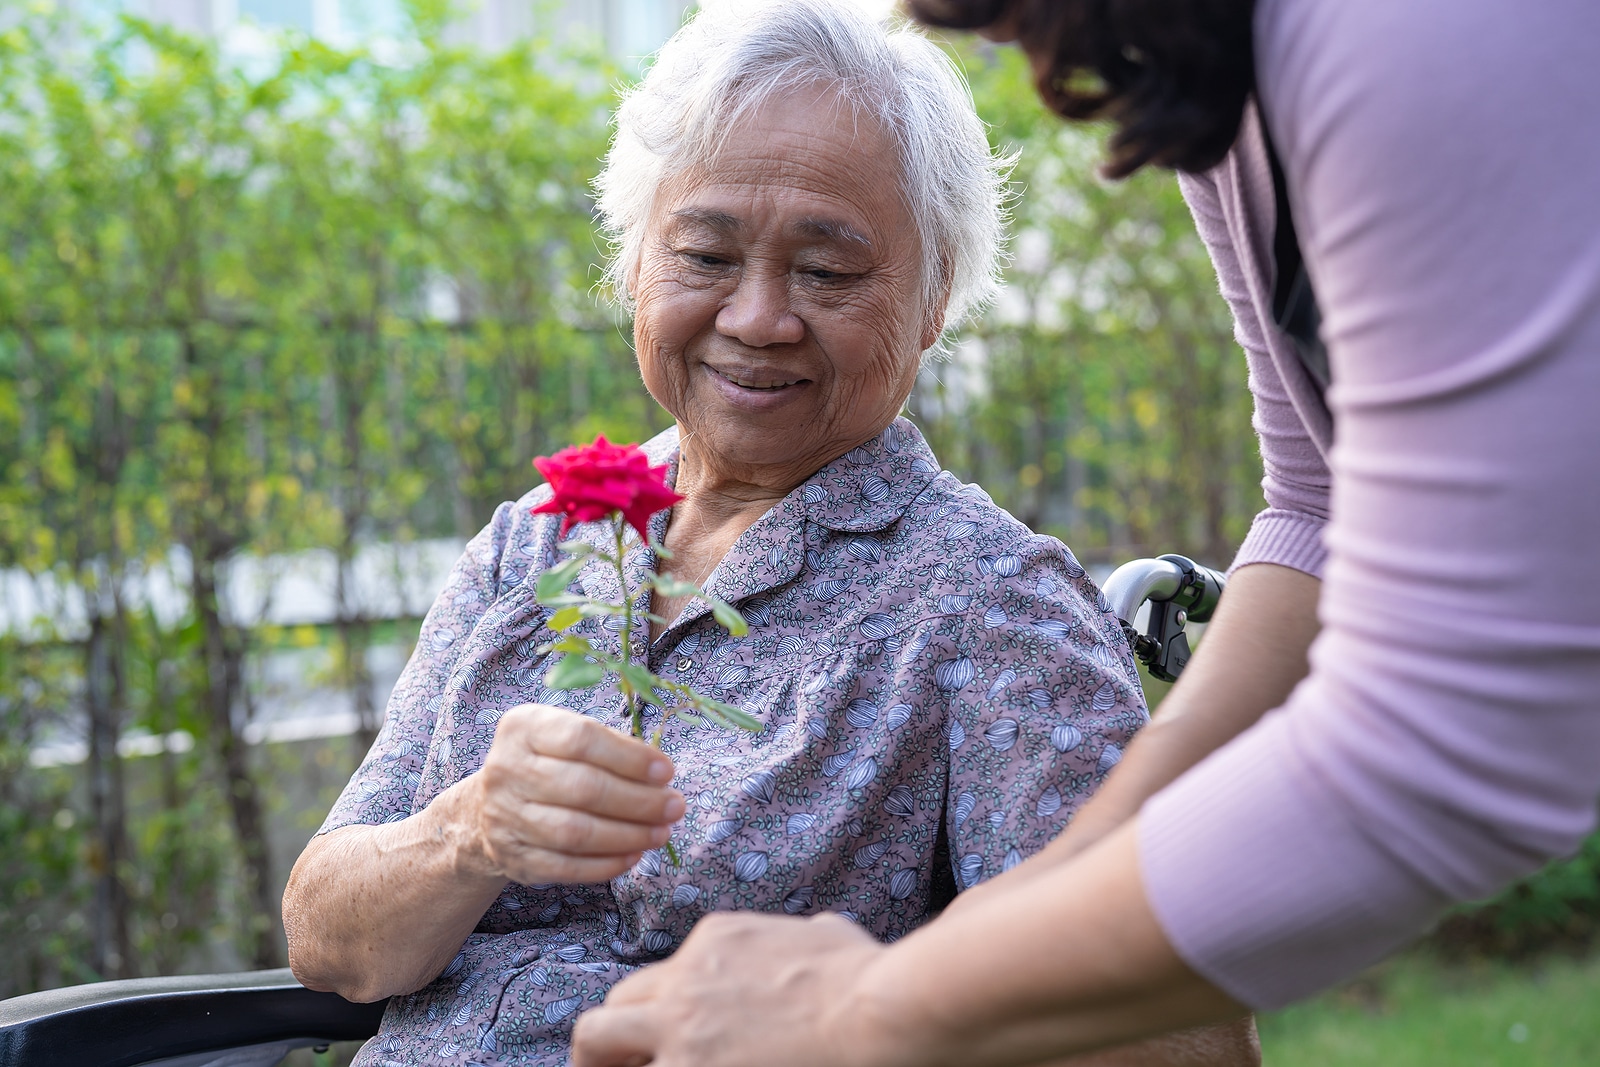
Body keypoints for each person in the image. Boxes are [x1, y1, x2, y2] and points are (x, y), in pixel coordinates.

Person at [570, 0, 1600, 1064]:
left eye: (828, 270)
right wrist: (1050, 891)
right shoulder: (1229, 104)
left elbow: (1459, 733)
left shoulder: (1419, 33)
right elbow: (1315, 507)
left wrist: (874, 1004)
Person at [282, 3, 1260, 1063]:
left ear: (934, 300)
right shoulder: (539, 542)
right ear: (633, 267)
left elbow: (1181, 1029)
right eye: (704, 253)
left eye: (827, 272)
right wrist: (467, 830)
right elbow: (332, 943)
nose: (757, 317)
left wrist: (870, 1014)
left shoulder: (986, 602)